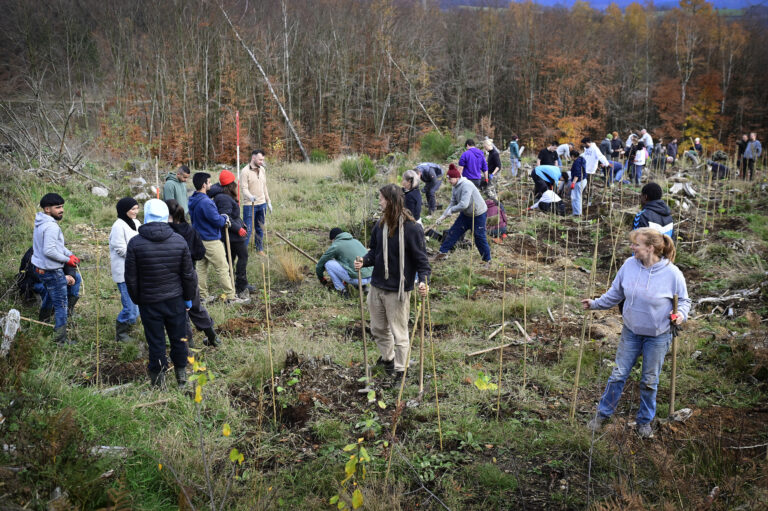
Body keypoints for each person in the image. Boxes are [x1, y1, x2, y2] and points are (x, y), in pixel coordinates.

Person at [582, 228, 690, 438]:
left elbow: (684, 301)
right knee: (618, 374)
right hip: (631, 331)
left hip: (658, 334)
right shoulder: (629, 265)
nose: (632, 247)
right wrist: (594, 304)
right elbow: (615, 294)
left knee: (649, 380)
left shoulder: (672, 273)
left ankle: (644, 421)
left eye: (636, 244)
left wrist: (680, 315)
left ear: (650, 248)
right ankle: (602, 415)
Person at [353, 184, 430, 381]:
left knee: (399, 333)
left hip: (398, 290)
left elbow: (422, 261)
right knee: (378, 328)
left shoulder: (412, 229)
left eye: (381, 198)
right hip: (377, 285)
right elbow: (374, 252)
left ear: (390, 201)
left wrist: (423, 282)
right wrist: (364, 261)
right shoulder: (380, 225)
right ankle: (388, 360)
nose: (379, 202)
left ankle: (401, 371)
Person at [125, 199, 197, 387]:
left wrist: (138, 299)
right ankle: (181, 378)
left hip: (149, 302)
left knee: (155, 341)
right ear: (166, 217)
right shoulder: (179, 241)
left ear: (146, 217)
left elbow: (131, 278)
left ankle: (159, 382)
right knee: (179, 338)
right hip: (175, 300)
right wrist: (188, 298)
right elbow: (188, 275)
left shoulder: (135, 243)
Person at [167, 200, 221, 348]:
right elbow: (200, 252)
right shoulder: (190, 230)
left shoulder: (167, 232)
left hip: (173, 276)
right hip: (190, 274)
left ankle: (189, 346)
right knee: (196, 307)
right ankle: (213, 337)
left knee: (181, 311)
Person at [189, 172, 247, 304]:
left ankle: (202, 296)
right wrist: (224, 219)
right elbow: (217, 220)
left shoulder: (193, 199)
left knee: (201, 268)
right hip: (210, 240)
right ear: (204, 185)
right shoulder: (206, 202)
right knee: (223, 268)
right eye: (209, 182)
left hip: (199, 238)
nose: (211, 184)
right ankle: (231, 297)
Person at [31, 193, 80, 345]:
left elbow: (56, 246)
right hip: (51, 270)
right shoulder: (51, 226)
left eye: (62, 207)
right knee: (61, 305)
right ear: (47, 209)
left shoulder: (40, 222)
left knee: (50, 294)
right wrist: (67, 260)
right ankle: (60, 340)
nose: (62, 210)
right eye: (57, 207)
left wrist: (69, 254)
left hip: (41, 269)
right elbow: (49, 251)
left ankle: (43, 320)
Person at [433, 166, 491, 265]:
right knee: (453, 232)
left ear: (457, 177)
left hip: (478, 214)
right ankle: (443, 252)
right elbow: (452, 203)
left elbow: (464, 204)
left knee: (479, 237)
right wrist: (442, 217)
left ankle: (487, 260)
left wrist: (451, 210)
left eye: (450, 179)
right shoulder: (455, 187)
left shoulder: (466, 185)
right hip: (465, 214)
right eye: (448, 179)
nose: (449, 181)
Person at [209, 170, 253, 298]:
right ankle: (241, 284)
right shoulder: (223, 198)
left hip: (231, 234)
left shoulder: (223, 195)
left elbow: (232, 216)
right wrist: (238, 228)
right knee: (243, 256)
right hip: (232, 235)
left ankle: (231, 283)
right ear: (230, 185)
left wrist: (241, 224)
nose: (235, 184)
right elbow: (226, 217)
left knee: (231, 258)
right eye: (233, 182)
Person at [109, 197, 141, 342]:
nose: (136, 211)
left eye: (137, 208)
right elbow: (120, 249)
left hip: (136, 271)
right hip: (123, 272)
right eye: (133, 209)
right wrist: (138, 254)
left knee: (137, 306)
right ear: (124, 210)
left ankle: (130, 328)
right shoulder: (118, 226)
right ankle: (121, 333)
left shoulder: (136, 223)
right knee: (130, 308)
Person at [316, 228, 373, 297]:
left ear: (333, 239)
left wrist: (321, 278)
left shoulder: (336, 245)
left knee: (328, 264)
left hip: (358, 279)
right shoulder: (356, 241)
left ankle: (342, 291)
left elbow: (320, 264)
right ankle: (363, 287)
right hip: (371, 277)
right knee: (350, 265)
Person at [241, 149, 272, 255]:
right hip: (250, 205)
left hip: (262, 204)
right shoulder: (245, 171)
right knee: (248, 229)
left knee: (260, 228)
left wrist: (268, 201)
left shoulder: (262, 169)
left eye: (262, 159)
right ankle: (243, 252)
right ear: (253, 158)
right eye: (260, 159)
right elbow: (244, 188)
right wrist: (250, 196)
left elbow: (264, 186)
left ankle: (259, 249)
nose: (261, 162)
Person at [569, 149, 587, 216]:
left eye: (571, 156)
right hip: (583, 180)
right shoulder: (581, 159)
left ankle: (577, 213)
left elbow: (577, 174)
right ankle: (578, 212)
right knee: (578, 197)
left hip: (579, 181)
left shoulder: (576, 162)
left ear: (573, 156)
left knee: (576, 197)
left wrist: (573, 183)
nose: (571, 158)